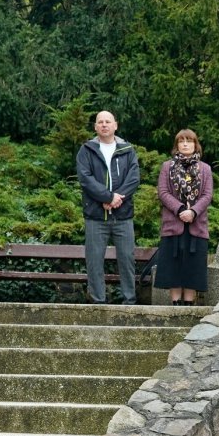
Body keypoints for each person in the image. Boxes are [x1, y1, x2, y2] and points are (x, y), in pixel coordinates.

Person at [76, 111, 140, 304]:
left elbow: (134, 178)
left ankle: (129, 301)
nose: (104, 125)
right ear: (95, 127)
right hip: (96, 216)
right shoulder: (86, 150)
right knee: (94, 261)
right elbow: (85, 179)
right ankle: (98, 301)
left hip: (123, 215)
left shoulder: (128, 150)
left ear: (115, 125)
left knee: (127, 259)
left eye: (108, 122)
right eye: (100, 122)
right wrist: (108, 197)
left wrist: (116, 198)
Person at [155, 129, 214, 304]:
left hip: (197, 226)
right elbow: (163, 192)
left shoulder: (205, 169)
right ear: (177, 145)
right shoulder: (167, 167)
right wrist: (180, 209)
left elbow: (207, 195)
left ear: (196, 145)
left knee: (193, 268)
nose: (186, 144)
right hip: (173, 225)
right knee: (174, 268)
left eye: (189, 141)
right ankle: (175, 306)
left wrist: (193, 212)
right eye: (182, 141)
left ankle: (188, 306)